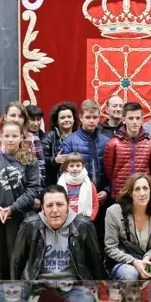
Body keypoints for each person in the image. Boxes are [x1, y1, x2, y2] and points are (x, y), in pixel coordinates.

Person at [0, 185, 104, 302]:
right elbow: (17, 260)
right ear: (42, 208)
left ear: (68, 205)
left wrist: (97, 288)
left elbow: (95, 260)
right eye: (49, 205)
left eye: (59, 204)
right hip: (37, 287)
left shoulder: (83, 225)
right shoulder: (30, 225)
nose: (55, 210)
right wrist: (18, 288)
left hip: (71, 288)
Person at [0, 121, 42, 281]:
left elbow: (33, 189)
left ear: (21, 137)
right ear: (1, 137)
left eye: (14, 136)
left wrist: (13, 208)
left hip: (17, 215)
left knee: (15, 253)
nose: (10, 139)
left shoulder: (30, 160)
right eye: (6, 135)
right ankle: (1, 285)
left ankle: (15, 285)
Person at [60, 99, 111, 247]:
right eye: (88, 117)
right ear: (81, 117)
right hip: (77, 201)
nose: (92, 121)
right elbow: (64, 173)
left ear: (99, 117)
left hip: (102, 197)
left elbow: (112, 171)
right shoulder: (69, 141)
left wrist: (107, 191)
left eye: (95, 117)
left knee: (100, 238)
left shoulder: (106, 141)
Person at [104, 174, 151, 280]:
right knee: (131, 274)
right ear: (130, 193)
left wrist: (147, 258)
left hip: (145, 261)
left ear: (150, 191)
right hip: (122, 263)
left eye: (145, 188)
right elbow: (111, 248)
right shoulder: (114, 212)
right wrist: (134, 262)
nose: (142, 193)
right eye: (137, 189)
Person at [104, 102, 151, 201]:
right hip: (121, 193)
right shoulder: (113, 143)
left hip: (142, 193)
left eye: (138, 118)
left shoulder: (150, 143)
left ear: (142, 120)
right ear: (123, 120)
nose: (135, 122)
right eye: (131, 118)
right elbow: (109, 171)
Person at [0, 102, 45, 187]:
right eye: (13, 115)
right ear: (5, 117)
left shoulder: (33, 139)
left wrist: (36, 190)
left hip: (26, 189)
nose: (16, 119)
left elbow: (40, 167)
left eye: (20, 116)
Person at [41, 101, 78, 186]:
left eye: (69, 117)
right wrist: (54, 160)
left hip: (76, 182)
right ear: (57, 121)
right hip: (54, 183)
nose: (66, 120)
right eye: (62, 118)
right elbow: (40, 159)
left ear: (74, 119)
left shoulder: (80, 136)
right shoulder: (50, 137)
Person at [57, 153, 98, 220]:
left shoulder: (89, 184)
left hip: (84, 220)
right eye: (71, 166)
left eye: (78, 165)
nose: (75, 168)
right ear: (66, 167)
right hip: (65, 219)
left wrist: (90, 219)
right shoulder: (61, 183)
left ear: (83, 166)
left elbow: (95, 204)